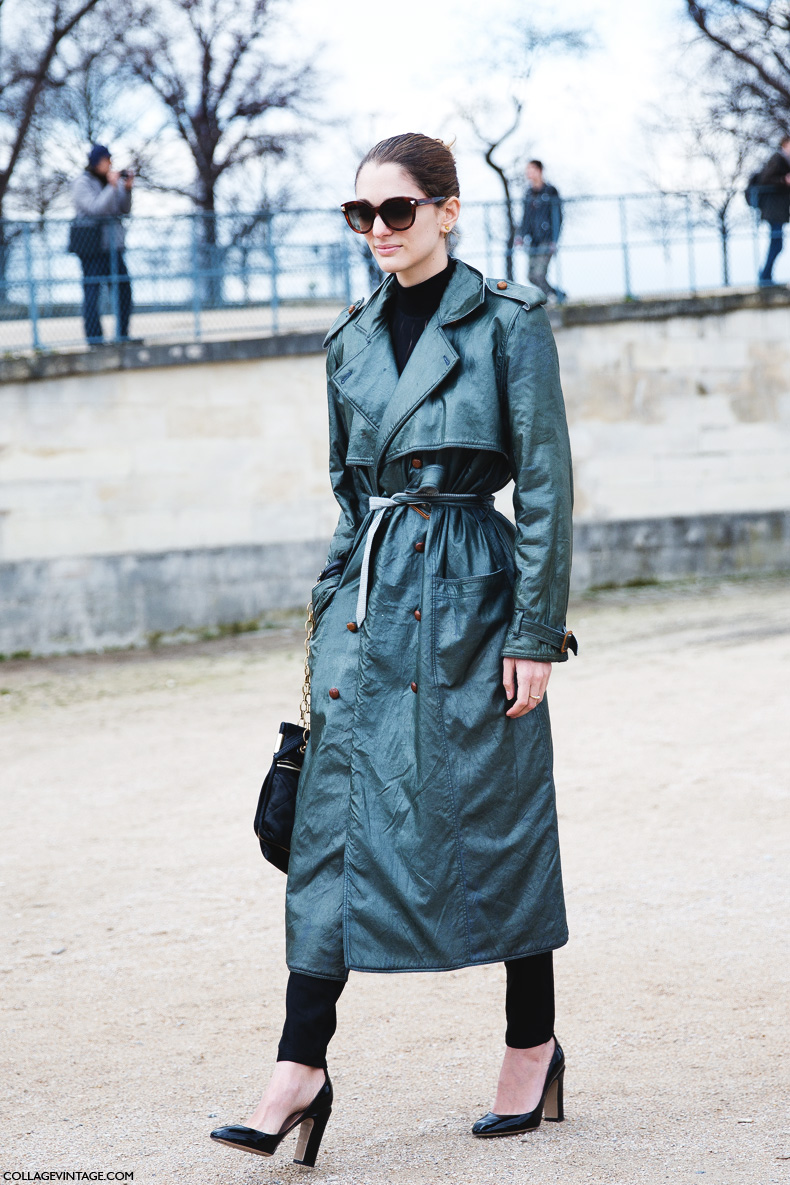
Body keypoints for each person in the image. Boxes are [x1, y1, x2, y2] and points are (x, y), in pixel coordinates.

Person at [210, 133, 577, 1166]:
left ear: (448, 212)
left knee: (498, 820)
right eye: (359, 214)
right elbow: (347, 500)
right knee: (330, 832)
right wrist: (326, 618)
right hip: (370, 608)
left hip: (472, 597)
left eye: (398, 211)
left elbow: (544, 484)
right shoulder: (347, 341)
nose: (377, 231)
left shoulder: (508, 321)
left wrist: (535, 631)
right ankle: (298, 1069)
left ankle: (531, 1045)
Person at [71, 144, 134, 344]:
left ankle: (122, 335)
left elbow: (124, 209)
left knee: (124, 289)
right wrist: (111, 187)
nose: (110, 165)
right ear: (96, 161)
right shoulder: (82, 183)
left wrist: (126, 189)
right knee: (93, 292)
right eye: (106, 160)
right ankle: (95, 340)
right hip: (91, 247)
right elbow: (95, 209)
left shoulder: (110, 182)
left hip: (113, 247)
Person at [515, 159, 565, 303]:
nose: (528, 173)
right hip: (533, 240)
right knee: (531, 276)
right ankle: (557, 294)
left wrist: (554, 240)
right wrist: (521, 235)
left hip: (547, 239)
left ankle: (548, 298)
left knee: (539, 273)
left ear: (539, 171)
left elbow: (558, 217)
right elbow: (525, 217)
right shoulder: (528, 193)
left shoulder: (550, 191)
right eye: (527, 170)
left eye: (531, 169)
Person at [755, 134, 790, 288]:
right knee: (777, 243)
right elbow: (765, 179)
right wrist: (784, 180)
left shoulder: (784, 161)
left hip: (778, 210)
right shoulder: (777, 159)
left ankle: (765, 276)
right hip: (773, 210)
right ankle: (765, 277)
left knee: (777, 243)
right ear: (784, 145)